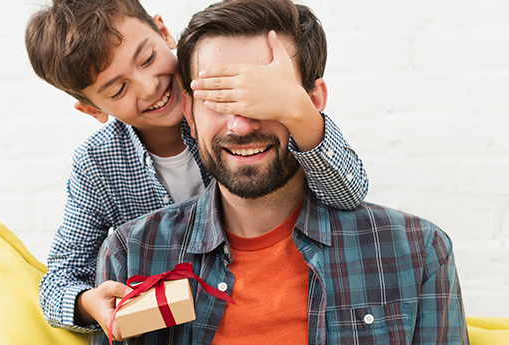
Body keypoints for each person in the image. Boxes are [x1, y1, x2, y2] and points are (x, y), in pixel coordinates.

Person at [95, 0, 468, 343]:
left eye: (264, 97)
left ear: (313, 102)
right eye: (217, 99)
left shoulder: (418, 252)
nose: (239, 125)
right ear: (190, 114)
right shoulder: (131, 255)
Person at [25, 0, 370, 335]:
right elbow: (59, 276)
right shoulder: (98, 164)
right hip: (189, 321)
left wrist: (297, 108)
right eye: (117, 90)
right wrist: (88, 303)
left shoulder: (240, 114)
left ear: (163, 32)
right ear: (92, 110)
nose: (150, 87)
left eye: (147, 59)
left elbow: (349, 191)